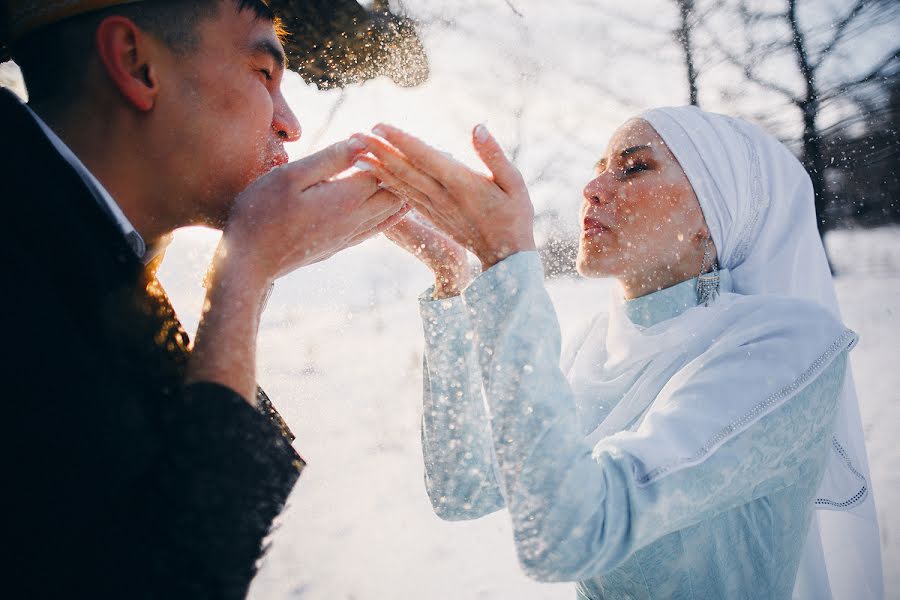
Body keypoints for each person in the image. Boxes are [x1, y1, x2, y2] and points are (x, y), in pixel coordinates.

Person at [353, 107, 884, 599]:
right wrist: (452, 281)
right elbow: (465, 488)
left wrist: (506, 256)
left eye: (633, 169)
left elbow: (572, 532)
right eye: (599, 168)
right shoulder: (591, 346)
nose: (592, 188)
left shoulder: (784, 346)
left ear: (715, 211)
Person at [1, 1, 407, 597]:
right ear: (138, 66)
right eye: (264, 74)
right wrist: (247, 268)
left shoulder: (79, 247)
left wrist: (248, 274)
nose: (290, 123)